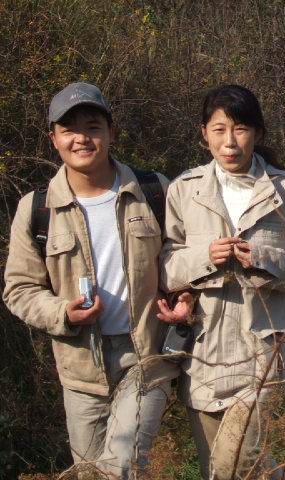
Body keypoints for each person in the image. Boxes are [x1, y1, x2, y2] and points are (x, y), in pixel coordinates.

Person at [2, 82, 190, 478]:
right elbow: (19, 288)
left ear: (111, 132)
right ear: (53, 139)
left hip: (146, 356)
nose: (82, 139)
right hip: (80, 369)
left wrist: (185, 295)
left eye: (92, 127)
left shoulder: (153, 190)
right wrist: (63, 313)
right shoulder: (36, 209)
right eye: (69, 129)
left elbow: (181, 256)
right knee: (89, 472)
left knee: (120, 466)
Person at [159, 84, 285, 479]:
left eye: (240, 129)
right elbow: (166, 265)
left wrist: (265, 260)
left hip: (262, 352)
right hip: (203, 352)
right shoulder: (184, 190)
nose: (230, 142)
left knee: (233, 461)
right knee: (218, 470)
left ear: (258, 133)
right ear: (204, 133)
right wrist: (205, 257)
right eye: (219, 129)